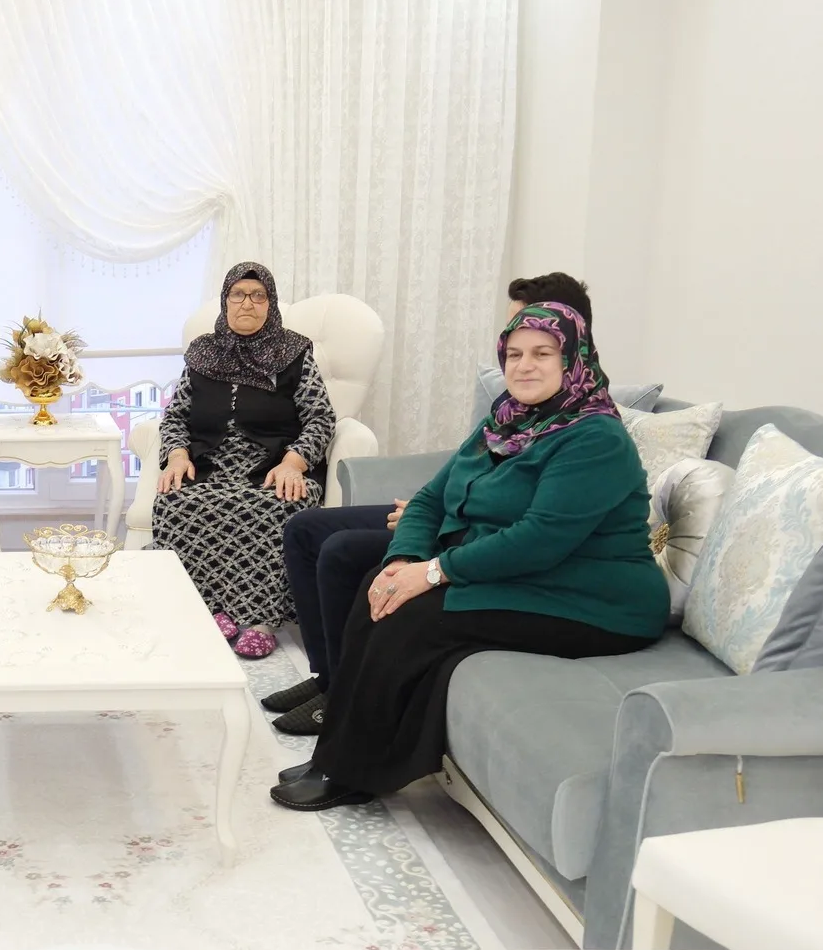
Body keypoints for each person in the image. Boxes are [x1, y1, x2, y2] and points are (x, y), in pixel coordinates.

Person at [270, 302, 667, 813]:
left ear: (574, 361)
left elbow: (539, 539)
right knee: (381, 584)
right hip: (533, 577)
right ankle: (338, 749)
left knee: (413, 614)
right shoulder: (506, 420)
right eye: (515, 354)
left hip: (594, 600)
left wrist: (434, 572)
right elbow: (433, 496)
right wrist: (402, 559)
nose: (525, 365)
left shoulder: (594, 437)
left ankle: (356, 771)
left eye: (543, 353)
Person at [264, 271, 602, 736]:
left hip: (470, 535)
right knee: (306, 528)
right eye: (512, 339)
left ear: (567, 334)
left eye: (532, 336)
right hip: (452, 519)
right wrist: (427, 516)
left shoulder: (585, 419)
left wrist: (441, 528)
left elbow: (527, 513)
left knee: (342, 551)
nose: (514, 350)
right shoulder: (512, 405)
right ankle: (330, 676)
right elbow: (466, 473)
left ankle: (345, 691)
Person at [150, 262, 335, 658]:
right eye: (238, 294)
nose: (247, 303)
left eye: (257, 295)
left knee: (277, 508)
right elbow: (176, 416)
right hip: (209, 464)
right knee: (176, 503)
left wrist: (295, 462)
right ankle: (208, 609)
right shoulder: (202, 353)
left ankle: (259, 619)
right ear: (225, 301)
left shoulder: (294, 352)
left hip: (272, 467)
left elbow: (321, 416)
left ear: (270, 303)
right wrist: (177, 454)